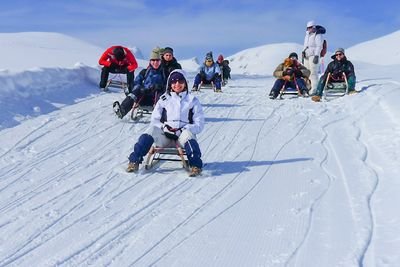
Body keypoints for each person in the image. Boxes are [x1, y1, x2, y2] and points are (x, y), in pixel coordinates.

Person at [126, 69, 205, 177]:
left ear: (185, 83)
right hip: (165, 135)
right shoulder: (164, 99)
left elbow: (199, 123)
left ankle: (196, 165)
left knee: (189, 136)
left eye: (180, 81)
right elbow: (154, 120)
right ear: (170, 84)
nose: (177, 84)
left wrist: (185, 128)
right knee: (151, 131)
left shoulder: (192, 100)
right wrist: (164, 127)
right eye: (174, 81)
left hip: (182, 136)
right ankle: (134, 161)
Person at [113, 48, 166, 119]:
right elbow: (137, 81)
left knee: (159, 93)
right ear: (150, 61)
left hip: (156, 99)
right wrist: (140, 88)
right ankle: (123, 110)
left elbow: (169, 85)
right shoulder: (145, 71)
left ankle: (161, 116)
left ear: (160, 61)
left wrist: (161, 86)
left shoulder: (164, 72)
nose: (155, 62)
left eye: (157, 60)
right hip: (143, 97)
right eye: (153, 60)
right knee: (136, 90)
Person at [302, 20, 325, 95]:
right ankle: (308, 87)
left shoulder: (318, 35)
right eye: (308, 28)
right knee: (306, 73)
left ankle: (315, 89)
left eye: (310, 27)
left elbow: (319, 46)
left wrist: (316, 55)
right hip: (307, 56)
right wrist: (303, 52)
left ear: (314, 27)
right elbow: (305, 46)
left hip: (313, 55)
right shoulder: (307, 35)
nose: (309, 29)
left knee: (313, 73)